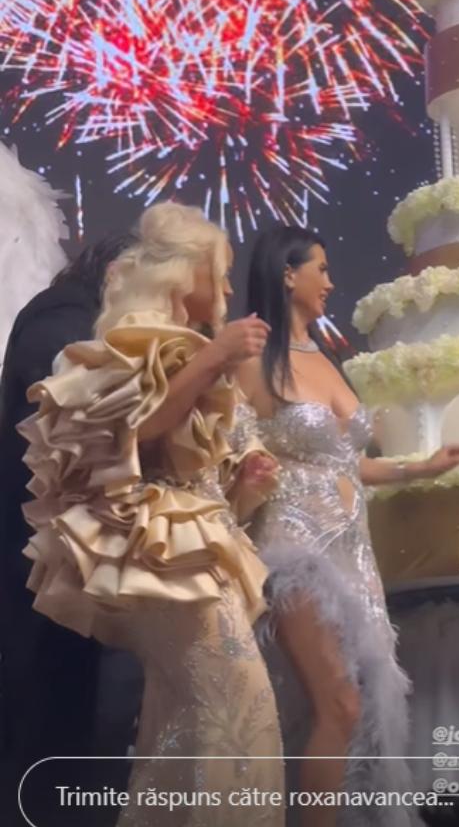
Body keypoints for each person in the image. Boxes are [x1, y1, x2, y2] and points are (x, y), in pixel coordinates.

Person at [19, 203, 284, 826]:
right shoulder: (133, 339)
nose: (227, 289)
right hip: (158, 556)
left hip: (191, 552)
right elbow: (130, 436)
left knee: (187, 719)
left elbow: (194, 468)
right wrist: (212, 359)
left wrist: (245, 481)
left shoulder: (188, 345)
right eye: (220, 272)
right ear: (185, 270)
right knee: (235, 706)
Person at [238, 225, 459, 827]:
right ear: (287, 274)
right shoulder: (249, 357)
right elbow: (231, 454)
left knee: (361, 709)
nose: (330, 282)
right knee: (338, 703)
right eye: (320, 268)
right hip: (294, 551)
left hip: (354, 551)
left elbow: (348, 463)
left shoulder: (320, 355)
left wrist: (422, 467)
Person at [0, 233, 134, 818]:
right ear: (119, 271)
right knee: (49, 723)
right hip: (39, 558)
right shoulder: (61, 321)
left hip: (55, 554)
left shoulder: (70, 317)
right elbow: (64, 424)